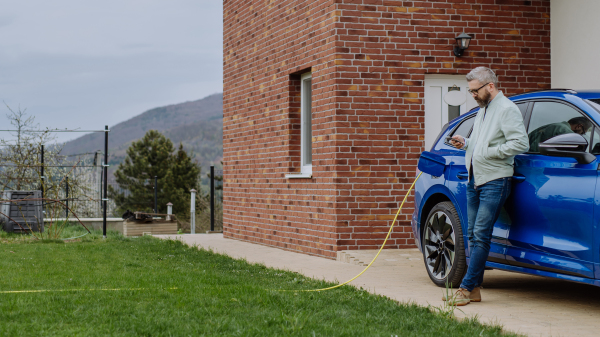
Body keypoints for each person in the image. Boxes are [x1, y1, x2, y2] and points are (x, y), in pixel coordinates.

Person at [446, 67, 529, 306]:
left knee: (481, 235)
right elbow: (482, 143)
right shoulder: (483, 110)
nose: (472, 95)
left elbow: (520, 143)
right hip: (475, 178)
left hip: (495, 180)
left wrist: (488, 152)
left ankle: (466, 287)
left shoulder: (506, 109)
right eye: (470, 91)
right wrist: (466, 143)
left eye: (475, 91)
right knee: (472, 235)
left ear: (489, 86)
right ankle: (475, 289)